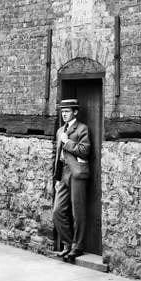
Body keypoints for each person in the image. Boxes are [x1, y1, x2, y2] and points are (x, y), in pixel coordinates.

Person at [51, 98, 90, 262]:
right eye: (62, 111)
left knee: (77, 212)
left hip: (77, 173)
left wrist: (67, 142)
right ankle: (67, 244)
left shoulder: (82, 129)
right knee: (57, 211)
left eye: (67, 111)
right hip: (63, 174)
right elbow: (58, 155)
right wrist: (56, 177)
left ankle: (77, 247)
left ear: (75, 112)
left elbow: (84, 151)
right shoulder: (60, 130)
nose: (64, 114)